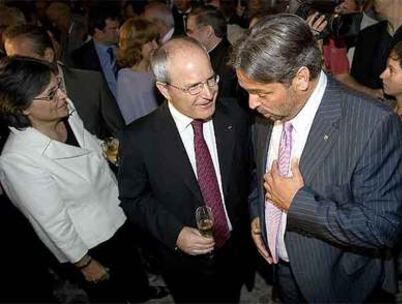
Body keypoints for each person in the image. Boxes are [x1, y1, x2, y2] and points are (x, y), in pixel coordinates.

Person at [230, 14, 402, 302]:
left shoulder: (372, 123)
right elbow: (258, 175)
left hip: (339, 282)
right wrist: (258, 214)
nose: (251, 103)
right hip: (282, 273)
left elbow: (381, 226)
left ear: (301, 78)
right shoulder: (266, 112)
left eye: (261, 92)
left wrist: (297, 204)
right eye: (248, 92)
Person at [0, 56, 165, 303]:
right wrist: (85, 263)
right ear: (23, 107)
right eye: (51, 93)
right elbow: (52, 223)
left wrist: (109, 149)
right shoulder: (18, 159)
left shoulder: (66, 111)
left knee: (133, 276)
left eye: (59, 85)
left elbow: (89, 147)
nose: (63, 96)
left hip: (117, 213)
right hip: (92, 243)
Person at [118, 36, 255, 303]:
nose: (208, 93)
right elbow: (133, 199)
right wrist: (175, 233)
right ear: (165, 89)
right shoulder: (139, 138)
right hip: (183, 264)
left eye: (211, 80)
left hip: (235, 252)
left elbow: (249, 174)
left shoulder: (236, 116)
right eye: (193, 87)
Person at [3, 24, 125, 139]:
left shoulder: (91, 82)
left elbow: (119, 131)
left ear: (48, 56)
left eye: (22, 61)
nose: (14, 68)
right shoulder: (15, 101)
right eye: (10, 60)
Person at [380, 38, 402, 303]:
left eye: (392, 70)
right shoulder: (387, 104)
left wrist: (390, 174)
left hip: (401, 214)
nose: (383, 74)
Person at [72, 4, 120, 99]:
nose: (119, 32)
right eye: (113, 29)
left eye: (118, 27)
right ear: (98, 31)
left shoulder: (126, 47)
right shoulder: (80, 57)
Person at [117, 17, 159, 125]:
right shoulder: (126, 78)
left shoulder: (160, 69)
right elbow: (131, 121)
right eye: (150, 42)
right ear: (136, 45)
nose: (156, 46)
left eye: (156, 40)